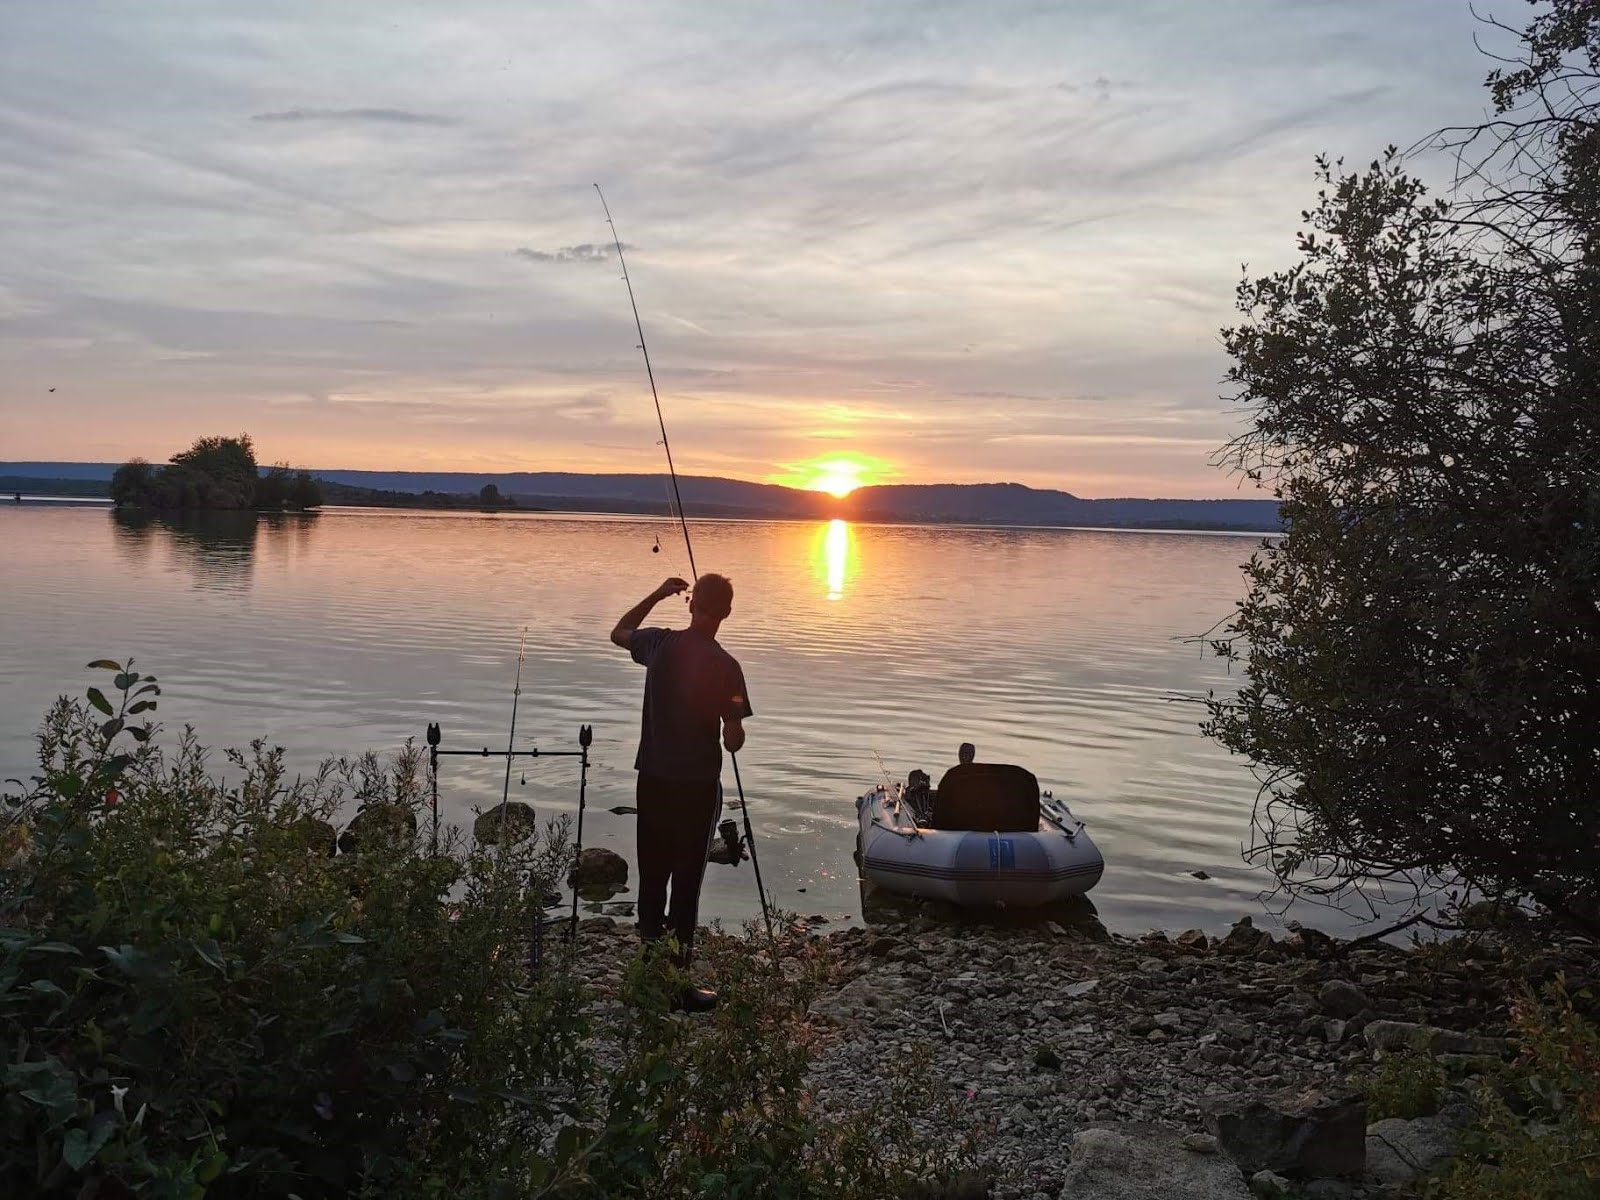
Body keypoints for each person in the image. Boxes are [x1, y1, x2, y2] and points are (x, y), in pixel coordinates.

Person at [610, 573, 752, 1012]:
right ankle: (675, 984)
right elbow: (733, 739)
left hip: (652, 779)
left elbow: (618, 632)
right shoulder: (727, 667)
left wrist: (656, 592)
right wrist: (728, 725)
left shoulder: (659, 644)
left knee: (652, 878)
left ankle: (646, 978)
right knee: (686, 884)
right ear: (726, 612)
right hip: (695, 787)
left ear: (691, 604)